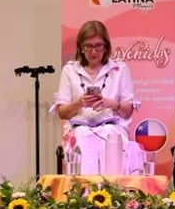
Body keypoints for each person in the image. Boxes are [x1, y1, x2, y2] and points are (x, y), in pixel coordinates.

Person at [51, 20, 143, 174]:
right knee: (82, 136)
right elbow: (62, 113)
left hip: (112, 127)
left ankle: (114, 192)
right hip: (79, 128)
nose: (94, 52)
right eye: (88, 46)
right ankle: (83, 193)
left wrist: (112, 104)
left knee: (110, 134)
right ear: (81, 47)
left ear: (106, 46)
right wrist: (79, 103)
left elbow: (128, 111)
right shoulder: (69, 70)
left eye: (98, 46)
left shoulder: (119, 69)